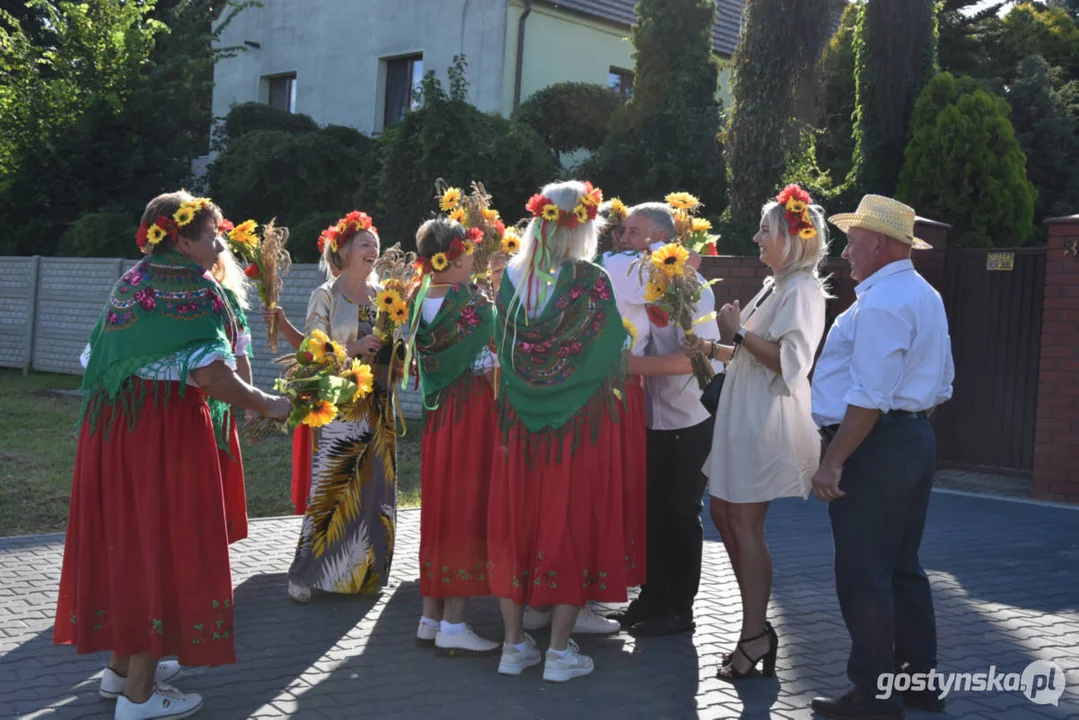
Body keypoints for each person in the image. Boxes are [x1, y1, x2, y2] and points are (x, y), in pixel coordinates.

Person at [54, 191, 290, 720]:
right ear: (180, 238)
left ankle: (119, 670)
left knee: (130, 541)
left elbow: (99, 355)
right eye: (211, 235)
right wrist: (268, 403)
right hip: (163, 433)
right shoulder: (194, 287)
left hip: (114, 433)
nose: (220, 243)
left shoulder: (133, 280)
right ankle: (140, 695)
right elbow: (210, 374)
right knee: (161, 545)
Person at [808, 195, 954, 719]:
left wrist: (835, 460)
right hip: (910, 439)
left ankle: (873, 695)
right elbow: (941, 387)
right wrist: (903, 435)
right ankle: (916, 683)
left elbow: (869, 394)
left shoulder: (883, 302)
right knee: (900, 567)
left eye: (854, 241)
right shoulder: (923, 295)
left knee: (865, 572)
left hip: (877, 443)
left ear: (882, 244)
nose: (846, 252)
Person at [683, 185, 830, 680]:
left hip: (763, 422)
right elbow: (747, 353)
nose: (756, 237)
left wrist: (737, 333)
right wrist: (711, 346)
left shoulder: (803, 289)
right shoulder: (777, 284)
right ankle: (755, 628)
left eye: (765, 230)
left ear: (791, 239)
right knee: (724, 514)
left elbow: (791, 363)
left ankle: (753, 636)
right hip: (741, 415)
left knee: (744, 524)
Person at [488, 180, 629, 683]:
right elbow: (611, 351)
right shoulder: (591, 280)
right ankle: (559, 652)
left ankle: (512, 646)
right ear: (583, 225)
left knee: (515, 524)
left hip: (519, 426)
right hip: (576, 427)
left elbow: (502, 352)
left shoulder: (509, 277)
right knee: (568, 522)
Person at [604, 202, 722, 638]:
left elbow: (692, 361)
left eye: (634, 233)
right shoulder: (643, 282)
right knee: (651, 511)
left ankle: (678, 608)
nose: (624, 240)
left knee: (680, 511)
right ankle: (650, 598)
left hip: (690, 416)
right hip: (651, 413)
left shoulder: (694, 286)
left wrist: (621, 367)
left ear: (658, 239)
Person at [287, 211, 400, 602]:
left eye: (375, 243)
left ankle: (359, 574)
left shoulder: (386, 293)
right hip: (340, 404)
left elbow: (396, 343)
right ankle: (304, 575)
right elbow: (310, 352)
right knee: (333, 487)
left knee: (373, 487)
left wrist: (401, 354)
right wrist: (352, 349)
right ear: (345, 250)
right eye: (365, 243)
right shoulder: (326, 295)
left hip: (379, 402)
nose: (374, 249)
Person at [409, 218, 500, 656]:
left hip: (437, 411)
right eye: (469, 254)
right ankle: (455, 622)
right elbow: (493, 355)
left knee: (440, 507)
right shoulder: (473, 303)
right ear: (457, 254)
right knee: (464, 508)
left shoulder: (416, 297)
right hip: (472, 410)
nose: (474, 263)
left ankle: (431, 615)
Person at [264, 262, 339, 516]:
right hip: (331, 395)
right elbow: (311, 352)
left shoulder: (375, 293)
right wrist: (283, 324)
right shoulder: (325, 294)